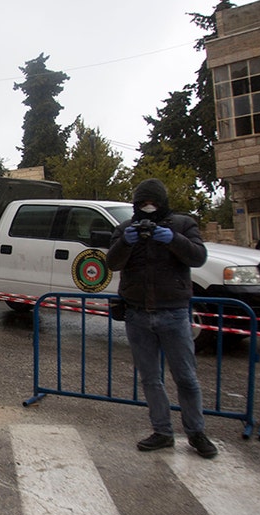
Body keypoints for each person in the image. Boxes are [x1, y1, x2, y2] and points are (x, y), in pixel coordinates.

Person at [106, 178, 219, 459]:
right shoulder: (124, 229)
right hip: (137, 314)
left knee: (186, 378)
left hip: (174, 313)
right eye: (142, 203)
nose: (148, 208)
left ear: (163, 203)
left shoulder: (182, 225)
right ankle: (162, 431)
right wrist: (125, 243)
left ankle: (196, 432)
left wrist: (172, 239)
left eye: (152, 203)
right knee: (150, 379)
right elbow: (112, 263)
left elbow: (198, 257)